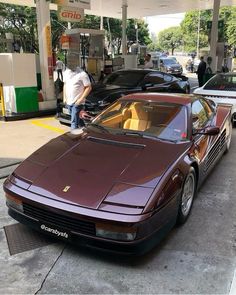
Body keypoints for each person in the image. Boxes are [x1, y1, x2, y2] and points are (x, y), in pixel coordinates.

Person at [63, 66, 92, 132]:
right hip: (69, 102)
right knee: (79, 120)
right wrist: (64, 97)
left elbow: (88, 87)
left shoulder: (82, 74)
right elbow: (65, 84)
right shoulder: (66, 72)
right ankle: (86, 131)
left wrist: (80, 100)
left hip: (77, 103)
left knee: (74, 123)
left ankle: (73, 139)